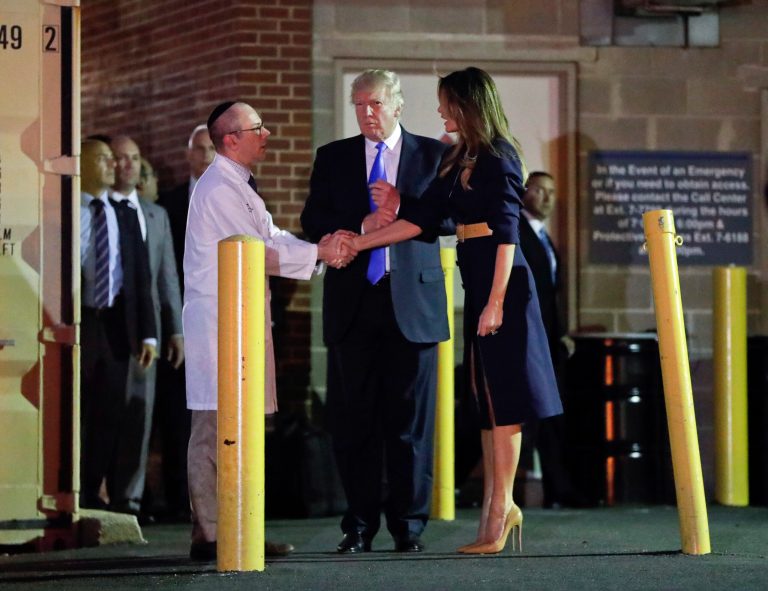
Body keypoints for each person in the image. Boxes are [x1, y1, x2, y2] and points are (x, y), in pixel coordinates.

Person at [349, 67, 563, 554]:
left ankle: (500, 508)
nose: (440, 111)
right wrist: (360, 243)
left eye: (446, 103)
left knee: (506, 401)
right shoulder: (457, 156)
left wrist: (495, 301)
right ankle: (497, 507)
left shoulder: (499, 155)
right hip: (480, 279)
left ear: (468, 104)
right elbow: (423, 219)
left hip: (504, 287)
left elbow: (508, 232)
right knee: (486, 401)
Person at [183, 100, 353, 562]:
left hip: (236, 319)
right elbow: (257, 251)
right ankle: (215, 534)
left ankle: (234, 528)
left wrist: (317, 250)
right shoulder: (218, 187)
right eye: (258, 127)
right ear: (231, 139)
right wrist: (321, 253)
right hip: (220, 324)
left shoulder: (236, 185)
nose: (268, 134)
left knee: (233, 426)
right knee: (216, 427)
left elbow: (271, 237)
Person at [300, 69, 450, 554]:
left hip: (413, 305)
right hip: (354, 304)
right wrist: (358, 223)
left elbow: (451, 217)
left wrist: (404, 202)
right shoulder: (334, 157)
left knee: (410, 425)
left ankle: (409, 525)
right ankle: (359, 525)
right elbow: (313, 220)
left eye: (376, 104)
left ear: (398, 106)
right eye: (359, 105)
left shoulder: (434, 154)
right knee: (354, 423)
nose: (368, 113)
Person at [79, 138, 157, 510]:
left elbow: (141, 277)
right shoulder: (67, 208)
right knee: (78, 408)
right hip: (77, 322)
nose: (113, 165)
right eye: (104, 159)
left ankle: (94, 491)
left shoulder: (124, 213)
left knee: (109, 412)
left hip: (114, 323)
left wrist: (148, 333)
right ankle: (72, 487)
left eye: (115, 159)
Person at [109, 135, 184, 519]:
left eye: (134, 158)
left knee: (141, 415)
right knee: (102, 414)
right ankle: (93, 493)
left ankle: (130, 500)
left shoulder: (155, 214)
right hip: (105, 320)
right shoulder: (94, 208)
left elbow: (167, 277)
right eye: (120, 158)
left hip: (148, 329)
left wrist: (175, 329)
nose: (128, 166)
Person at [154, 124, 213, 522]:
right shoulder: (169, 204)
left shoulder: (241, 193)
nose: (207, 156)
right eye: (201, 149)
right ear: (189, 154)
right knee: (178, 413)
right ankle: (177, 500)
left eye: (213, 149)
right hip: (180, 317)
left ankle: (213, 505)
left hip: (219, 317)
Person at [518, 171, 577, 509]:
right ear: (525, 192)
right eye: (540, 190)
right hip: (528, 339)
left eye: (552, 192)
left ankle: (559, 489)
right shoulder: (518, 231)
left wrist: (562, 333)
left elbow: (550, 294)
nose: (547, 198)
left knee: (550, 417)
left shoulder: (545, 238)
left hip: (549, 342)